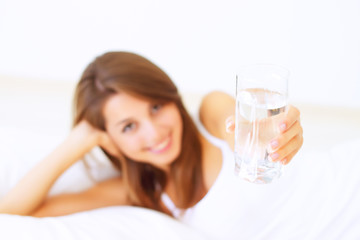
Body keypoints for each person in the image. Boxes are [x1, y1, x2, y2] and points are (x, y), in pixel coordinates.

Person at [0, 51, 303, 219]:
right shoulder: (138, 193)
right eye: (128, 127)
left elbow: (239, 123)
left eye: (156, 106)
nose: (155, 132)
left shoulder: (210, 116)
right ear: (110, 141)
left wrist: (266, 130)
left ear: (171, 95)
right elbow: (12, 213)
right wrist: (79, 139)